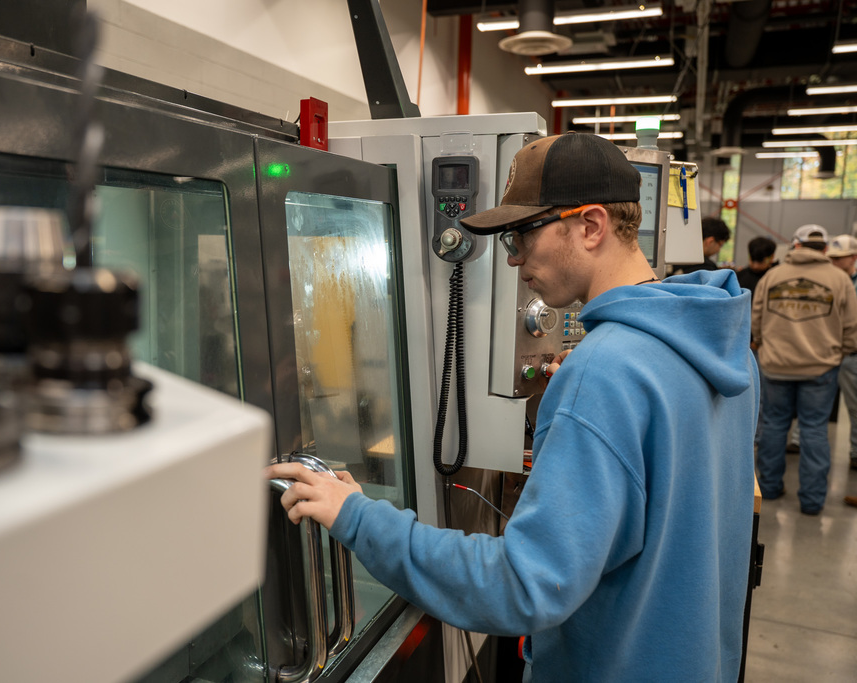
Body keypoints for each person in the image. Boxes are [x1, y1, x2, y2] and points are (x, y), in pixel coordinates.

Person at [266, 132, 758, 681]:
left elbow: (523, 585)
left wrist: (355, 517)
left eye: (523, 234)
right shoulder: (717, 342)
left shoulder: (603, 371)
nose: (514, 259)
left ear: (591, 226)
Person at [752, 225, 857, 515]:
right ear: (825, 249)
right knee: (814, 430)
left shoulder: (773, 276)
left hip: (775, 366)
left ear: (795, 246)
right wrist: (840, 352)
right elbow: (851, 327)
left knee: (774, 426)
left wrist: (763, 344)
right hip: (821, 368)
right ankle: (812, 502)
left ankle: (769, 489)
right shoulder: (840, 279)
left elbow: (756, 319)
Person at [826, 234, 857, 476]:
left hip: (850, 354)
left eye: (840, 258)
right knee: (816, 407)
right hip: (826, 353)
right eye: (832, 258)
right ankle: (796, 440)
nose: (835, 262)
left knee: (854, 408)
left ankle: (855, 454)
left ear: (853, 257)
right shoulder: (827, 280)